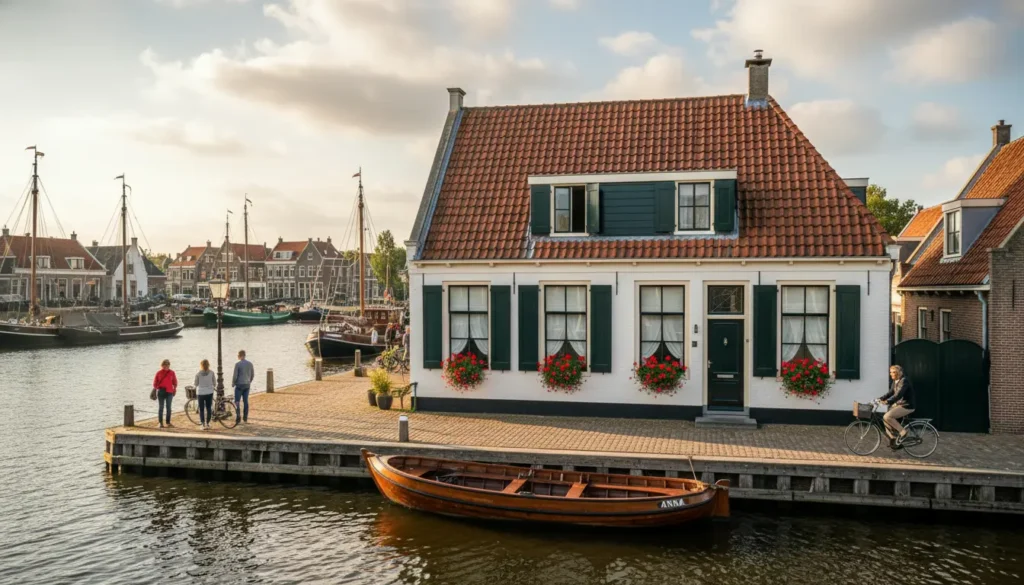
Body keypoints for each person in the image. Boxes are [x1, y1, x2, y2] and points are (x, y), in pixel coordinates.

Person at [879, 365, 916, 447]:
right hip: (900, 404)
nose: (891, 374)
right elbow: (890, 392)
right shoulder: (895, 381)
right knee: (885, 419)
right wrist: (880, 399)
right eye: (890, 372)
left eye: (893, 372)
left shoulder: (904, 381)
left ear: (898, 373)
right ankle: (894, 440)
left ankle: (903, 432)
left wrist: (888, 401)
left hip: (907, 405)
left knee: (887, 417)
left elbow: (898, 395)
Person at [152, 359, 178, 429]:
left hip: (170, 392)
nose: (166, 366)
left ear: (169, 365)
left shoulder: (172, 372)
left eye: (168, 364)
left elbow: (175, 382)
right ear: (162, 365)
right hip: (161, 392)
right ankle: (160, 423)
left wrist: (174, 389)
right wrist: (159, 387)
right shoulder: (158, 373)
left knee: (169, 408)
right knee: (161, 407)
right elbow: (154, 383)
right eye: (165, 364)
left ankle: (168, 422)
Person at [232, 350, 255, 424]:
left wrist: (233, 383)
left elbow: (235, 376)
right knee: (246, 401)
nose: (237, 356)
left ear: (240, 355)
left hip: (239, 385)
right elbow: (252, 375)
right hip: (247, 385)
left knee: (237, 401)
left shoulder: (237, 364)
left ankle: (238, 417)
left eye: (238, 355)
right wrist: (249, 381)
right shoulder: (250, 364)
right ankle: (245, 418)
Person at [194, 359, 216, 430]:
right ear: (208, 365)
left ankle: (203, 424)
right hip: (209, 392)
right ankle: (208, 423)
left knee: (201, 409)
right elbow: (214, 383)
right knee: (209, 408)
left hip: (201, 393)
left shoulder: (198, 373)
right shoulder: (212, 373)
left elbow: (196, 384)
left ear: (201, 365)